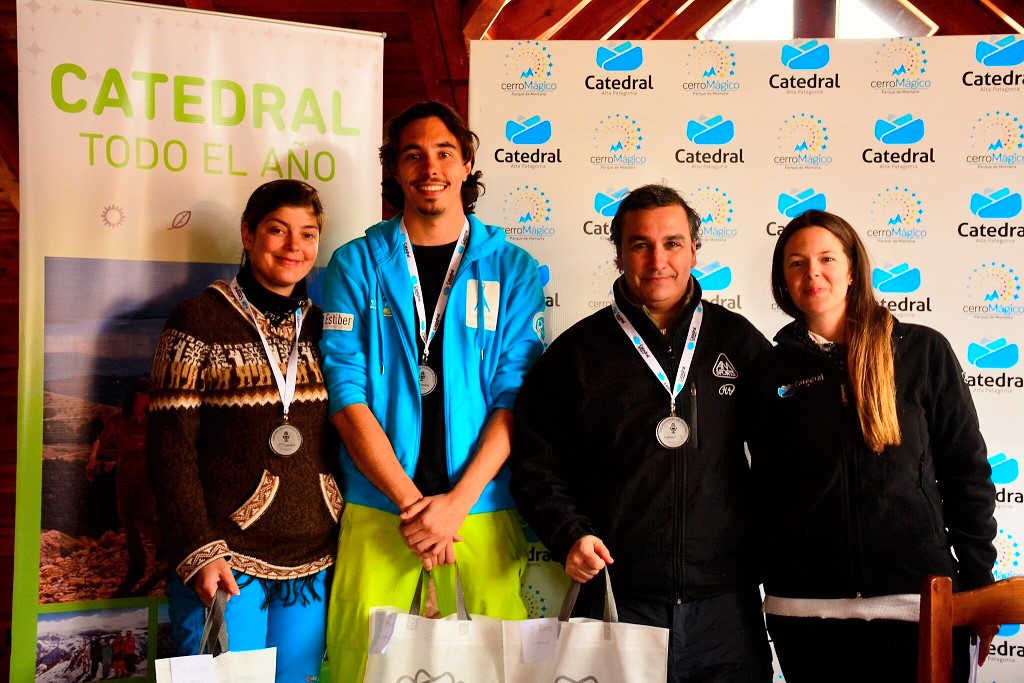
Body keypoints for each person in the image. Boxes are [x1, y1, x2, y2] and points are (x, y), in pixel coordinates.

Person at [319, 100, 546, 682]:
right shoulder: (355, 265)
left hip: (481, 511)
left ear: (468, 164)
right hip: (380, 510)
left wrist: (455, 507)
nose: (430, 167)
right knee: (362, 671)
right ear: (394, 170)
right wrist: (413, 506)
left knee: (495, 672)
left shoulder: (515, 269)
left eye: (445, 152)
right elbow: (347, 398)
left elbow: (514, 398)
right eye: (412, 155)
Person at [510, 184, 773, 682]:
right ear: (618, 255)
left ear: (695, 250)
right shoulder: (577, 353)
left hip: (726, 607)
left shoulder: (739, 342)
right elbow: (534, 461)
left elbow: (786, 455)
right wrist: (570, 534)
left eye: (672, 243)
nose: (658, 260)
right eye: (640, 244)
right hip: (617, 600)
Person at [746, 210, 998, 682]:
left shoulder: (921, 352)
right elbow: (761, 491)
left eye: (826, 258)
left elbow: (967, 475)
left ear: (853, 270)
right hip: (804, 614)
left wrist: (979, 586)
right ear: (783, 279)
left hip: (918, 609)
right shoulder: (768, 374)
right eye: (796, 263)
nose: (812, 272)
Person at [147, 179, 341, 682]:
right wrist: (198, 548)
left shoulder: (327, 329)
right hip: (225, 563)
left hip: (313, 564)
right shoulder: (196, 321)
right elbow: (171, 451)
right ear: (248, 235)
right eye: (278, 230)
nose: (294, 247)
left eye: (308, 233)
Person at [88, 377, 162, 597]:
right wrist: (93, 459)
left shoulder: (154, 419)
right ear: (134, 398)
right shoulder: (121, 418)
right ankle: (137, 564)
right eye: (143, 398)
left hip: (148, 475)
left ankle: (166, 548)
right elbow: (102, 439)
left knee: (144, 516)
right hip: (126, 475)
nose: (146, 402)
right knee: (126, 519)